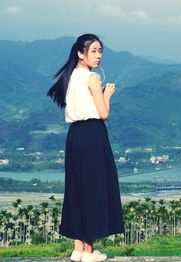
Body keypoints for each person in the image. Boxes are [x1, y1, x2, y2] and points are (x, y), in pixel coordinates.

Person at [47, 34, 125, 262]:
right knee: (93, 189)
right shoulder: (91, 78)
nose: (98, 55)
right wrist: (107, 94)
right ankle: (89, 252)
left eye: (100, 51)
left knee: (77, 189)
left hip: (74, 136)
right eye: (93, 51)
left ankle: (78, 248)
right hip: (92, 134)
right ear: (80, 54)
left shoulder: (71, 77)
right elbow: (103, 114)